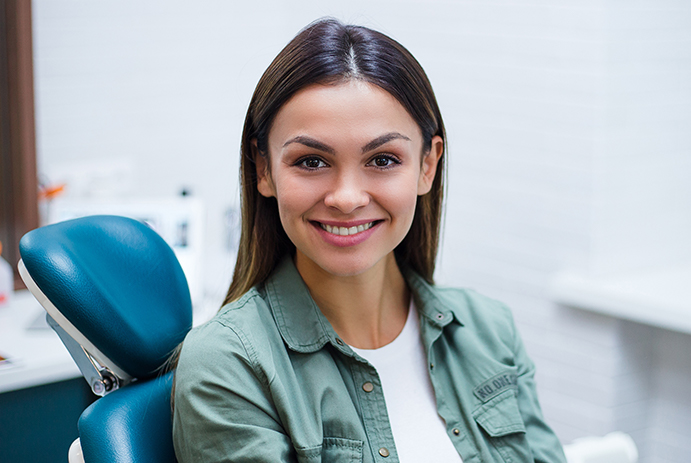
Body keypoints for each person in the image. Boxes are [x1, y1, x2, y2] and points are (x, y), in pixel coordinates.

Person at [172, 18, 566, 463]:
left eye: (382, 159)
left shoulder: (489, 329)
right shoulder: (227, 366)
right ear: (264, 169)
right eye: (311, 161)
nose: (346, 198)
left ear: (427, 165)